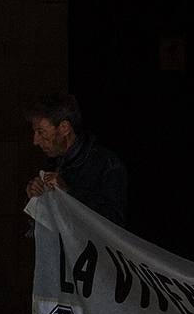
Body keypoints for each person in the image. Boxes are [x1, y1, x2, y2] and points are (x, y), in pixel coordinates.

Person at [24, 94, 127, 226]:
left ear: (64, 128)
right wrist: (35, 200)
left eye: (41, 132)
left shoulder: (106, 163)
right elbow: (48, 228)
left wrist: (68, 193)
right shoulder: (54, 161)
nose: (35, 141)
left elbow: (115, 223)